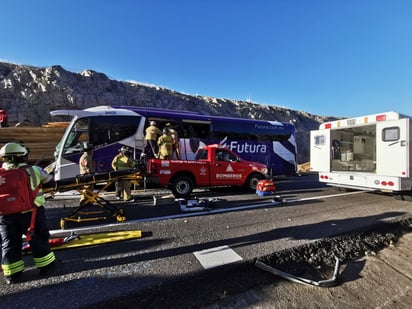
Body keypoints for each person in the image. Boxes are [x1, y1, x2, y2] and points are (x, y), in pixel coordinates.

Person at [0, 142, 57, 284]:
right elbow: (51, 182)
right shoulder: (34, 170)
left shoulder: (1, 174)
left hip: (5, 216)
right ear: (23, 156)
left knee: (9, 243)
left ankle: (12, 274)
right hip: (31, 213)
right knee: (38, 238)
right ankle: (46, 267)